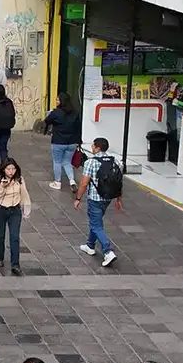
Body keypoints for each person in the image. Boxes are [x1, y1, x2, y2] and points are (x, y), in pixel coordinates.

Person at [75, 137, 122, 267]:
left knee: (96, 225)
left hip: (95, 198)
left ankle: (107, 251)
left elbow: (84, 183)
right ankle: (90, 245)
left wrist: (78, 198)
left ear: (97, 147)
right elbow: (118, 182)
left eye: (93, 146)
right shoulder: (116, 162)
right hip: (108, 198)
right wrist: (119, 199)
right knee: (96, 222)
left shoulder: (91, 162)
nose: (91, 147)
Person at [0, 159, 32, 276]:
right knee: (0, 235)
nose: (11, 171)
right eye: (8, 169)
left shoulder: (20, 180)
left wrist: (26, 210)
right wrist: (2, 186)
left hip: (14, 211)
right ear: (3, 169)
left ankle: (15, 265)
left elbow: (24, 195)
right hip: (0, 210)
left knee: (14, 237)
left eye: (13, 169)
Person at [45, 93, 80, 190]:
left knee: (57, 162)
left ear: (61, 101)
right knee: (67, 162)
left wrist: (51, 114)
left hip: (58, 141)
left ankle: (57, 182)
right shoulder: (75, 113)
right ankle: (72, 181)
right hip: (72, 142)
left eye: (57, 100)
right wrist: (79, 141)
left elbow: (47, 120)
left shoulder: (57, 112)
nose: (56, 101)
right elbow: (78, 128)